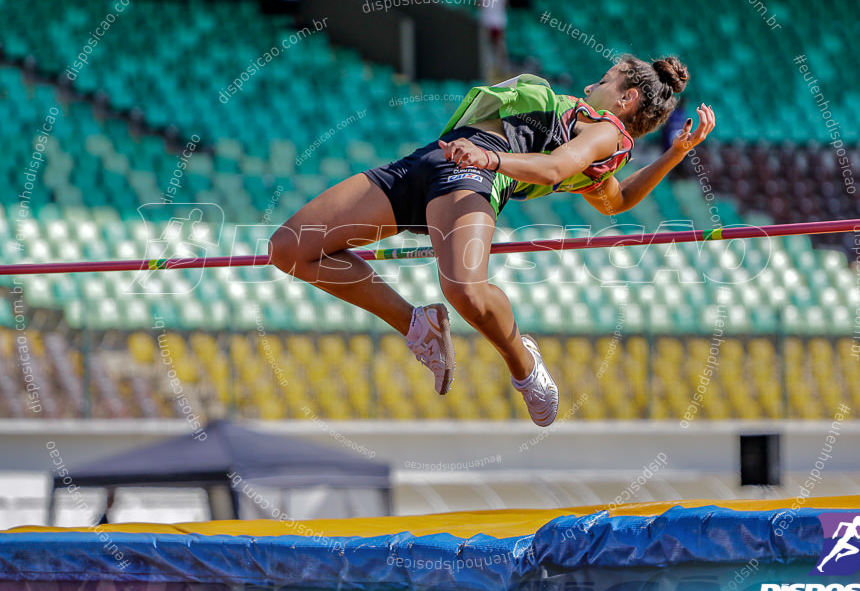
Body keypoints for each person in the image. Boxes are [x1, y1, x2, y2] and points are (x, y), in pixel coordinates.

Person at [269, 59, 715, 426]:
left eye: (602, 80)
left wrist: (491, 158)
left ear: (626, 98)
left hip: (472, 169)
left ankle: (523, 362)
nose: (588, 83)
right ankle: (416, 325)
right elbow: (618, 200)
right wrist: (674, 154)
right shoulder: (582, 128)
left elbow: (558, 171)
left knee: (466, 291)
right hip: (430, 160)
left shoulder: (607, 133)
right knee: (291, 249)